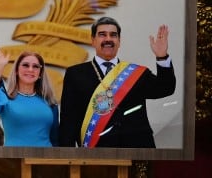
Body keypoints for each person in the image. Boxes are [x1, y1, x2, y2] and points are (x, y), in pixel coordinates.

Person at [59, 17, 175, 148]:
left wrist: (162, 57)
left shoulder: (137, 73)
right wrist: (67, 156)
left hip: (136, 149)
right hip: (94, 150)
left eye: (113, 35)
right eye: (102, 34)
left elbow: (166, 88)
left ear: (119, 41)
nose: (108, 39)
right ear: (93, 41)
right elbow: (68, 120)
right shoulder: (75, 74)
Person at [0, 44, 59, 147]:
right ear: (16, 71)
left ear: (40, 73)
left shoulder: (50, 103)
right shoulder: (5, 100)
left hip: (44, 160)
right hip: (13, 160)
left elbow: (55, 139)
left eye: (36, 66)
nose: (30, 70)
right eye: (25, 65)